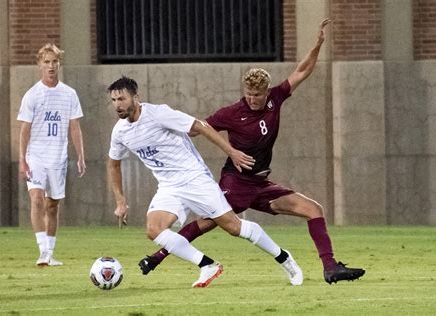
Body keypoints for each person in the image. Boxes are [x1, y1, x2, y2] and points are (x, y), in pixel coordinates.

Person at [139, 18, 365, 284]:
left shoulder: (275, 98)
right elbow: (197, 128)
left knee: (314, 209)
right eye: (248, 93)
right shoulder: (231, 113)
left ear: (266, 91)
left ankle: (330, 268)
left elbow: (302, 71)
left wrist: (317, 45)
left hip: (261, 182)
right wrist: (165, 135)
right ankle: (158, 257)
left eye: (257, 94)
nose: (252, 98)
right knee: (210, 222)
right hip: (236, 182)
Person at [108, 76, 304, 287]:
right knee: (154, 229)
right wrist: (120, 201)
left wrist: (231, 151)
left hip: (195, 178)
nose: (118, 105)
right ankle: (207, 265)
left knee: (233, 227)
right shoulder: (120, 132)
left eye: (122, 99)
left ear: (136, 97)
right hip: (169, 186)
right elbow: (113, 164)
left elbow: (200, 126)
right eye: (114, 100)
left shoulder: (158, 114)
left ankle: (284, 258)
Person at [18, 43, 86, 267]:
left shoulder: (69, 94)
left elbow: (74, 127)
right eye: (46, 62)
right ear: (39, 64)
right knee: (36, 200)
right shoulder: (32, 95)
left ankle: (50, 251)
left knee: (52, 205)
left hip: (58, 158)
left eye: (54, 62)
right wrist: (22, 159)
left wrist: (81, 156)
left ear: (59, 64)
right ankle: (42, 252)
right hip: (35, 156)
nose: (50, 66)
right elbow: (24, 130)